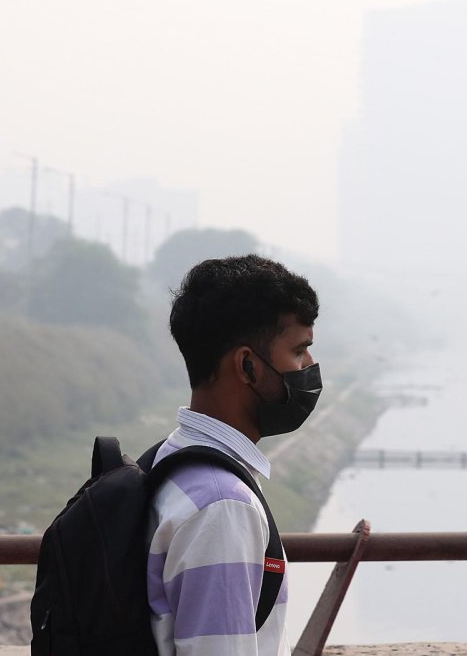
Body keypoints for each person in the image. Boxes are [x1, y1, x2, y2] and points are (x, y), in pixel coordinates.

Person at [146, 254, 322, 655]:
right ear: (247, 366)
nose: (310, 366)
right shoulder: (222, 507)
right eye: (299, 352)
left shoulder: (169, 458)